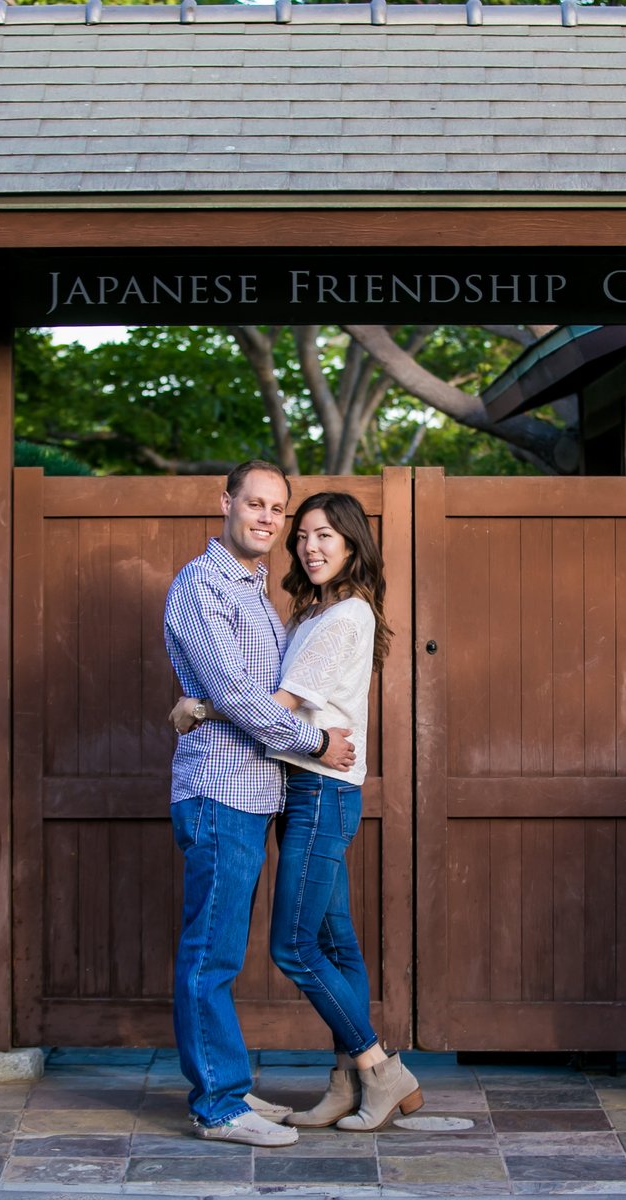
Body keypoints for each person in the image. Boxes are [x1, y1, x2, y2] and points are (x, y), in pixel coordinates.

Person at [171, 491, 423, 1133]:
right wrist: (211, 704)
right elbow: (259, 699)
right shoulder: (313, 612)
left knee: (294, 945)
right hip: (298, 785)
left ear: (352, 544)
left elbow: (270, 704)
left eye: (325, 536)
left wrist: (197, 706)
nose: (310, 547)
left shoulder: (344, 616)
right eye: (303, 535)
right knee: (335, 941)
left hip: (320, 790)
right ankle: (347, 1081)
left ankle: (379, 1068)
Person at [162, 461, 356, 1148]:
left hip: (252, 792)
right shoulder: (202, 586)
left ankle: (228, 1085)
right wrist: (317, 741)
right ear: (226, 503)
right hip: (220, 792)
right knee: (210, 954)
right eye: (256, 504)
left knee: (223, 952)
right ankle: (217, 1106)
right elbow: (243, 699)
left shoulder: (254, 589)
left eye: (278, 509)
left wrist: (197, 707)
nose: (268, 518)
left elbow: (244, 693)